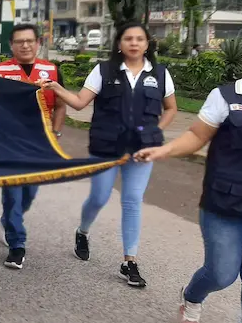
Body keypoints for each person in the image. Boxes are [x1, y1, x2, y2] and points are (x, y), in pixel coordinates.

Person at [43, 22, 178, 287]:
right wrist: (56, 89)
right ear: (119, 44)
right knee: (99, 196)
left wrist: (156, 130)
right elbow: (81, 102)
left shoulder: (160, 74)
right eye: (128, 38)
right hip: (106, 146)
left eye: (140, 39)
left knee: (132, 201)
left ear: (147, 44)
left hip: (142, 148)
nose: (134, 43)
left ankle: (130, 261)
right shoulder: (103, 70)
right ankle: (82, 231)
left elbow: (171, 108)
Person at [135, 78, 242, 323]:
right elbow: (197, 135)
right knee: (221, 274)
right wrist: (166, 150)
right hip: (225, 204)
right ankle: (192, 297)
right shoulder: (227, 95)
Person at [0, 24, 66, 269]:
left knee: (29, 193)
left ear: (38, 43)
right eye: (19, 41)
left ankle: (8, 220)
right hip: (8, 141)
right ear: (11, 45)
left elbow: (62, 105)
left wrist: (55, 133)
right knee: (13, 193)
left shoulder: (52, 70)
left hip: (40, 141)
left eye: (30, 41)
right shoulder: (1, 70)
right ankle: (17, 245)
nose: (25, 45)